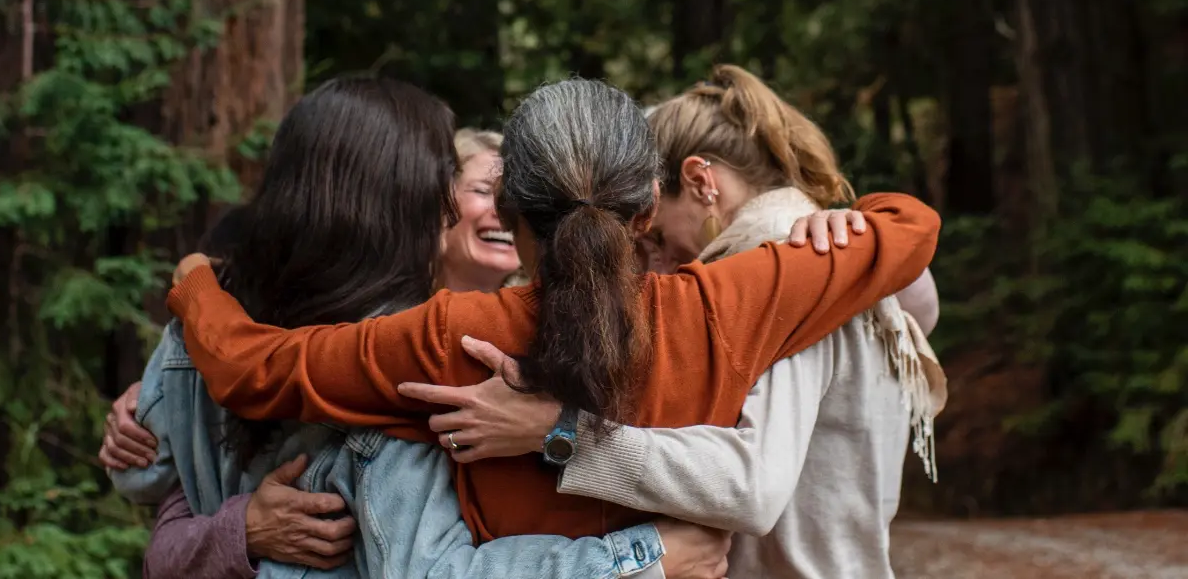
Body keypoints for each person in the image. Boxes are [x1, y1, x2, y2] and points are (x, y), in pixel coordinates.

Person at [162, 77, 942, 543]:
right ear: (645, 207)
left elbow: (249, 370)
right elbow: (915, 227)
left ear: (506, 202)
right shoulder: (737, 299)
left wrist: (197, 279)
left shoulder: (452, 335)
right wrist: (845, 218)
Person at [100, 77, 728, 579]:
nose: (453, 205)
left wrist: (226, 528)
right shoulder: (409, 358)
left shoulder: (205, 319)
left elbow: (145, 476)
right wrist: (645, 558)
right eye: (445, 183)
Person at [397, 65, 949, 577]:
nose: (653, 260)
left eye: (656, 235)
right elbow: (923, 304)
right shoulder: (828, 253)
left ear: (701, 180)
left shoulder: (783, 260)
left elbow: (753, 484)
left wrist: (558, 433)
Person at [439, 129, 524, 292]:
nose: (505, 210)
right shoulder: (388, 311)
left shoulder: (552, 315)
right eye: (483, 191)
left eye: (518, 198)